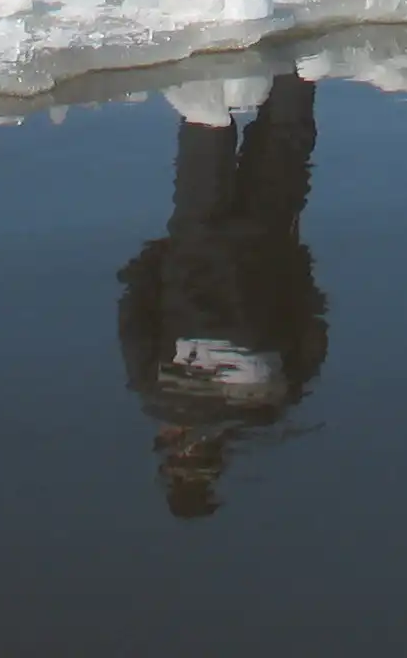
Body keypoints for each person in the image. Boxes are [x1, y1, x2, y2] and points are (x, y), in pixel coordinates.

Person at [114, 76, 330, 519]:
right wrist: (157, 258)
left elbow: (312, 332)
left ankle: (294, 66)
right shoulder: (156, 391)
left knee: (285, 138)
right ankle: (214, 66)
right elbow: (135, 312)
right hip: (195, 244)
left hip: (267, 248)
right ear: (172, 443)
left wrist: (297, 263)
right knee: (206, 124)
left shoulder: (271, 403)